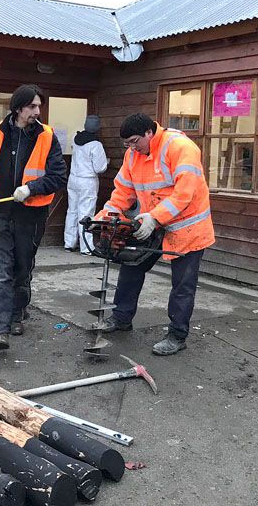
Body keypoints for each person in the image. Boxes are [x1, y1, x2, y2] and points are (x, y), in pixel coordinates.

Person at [95, 113, 215, 356]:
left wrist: (155, 217)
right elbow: (122, 193)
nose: (131, 148)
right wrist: (104, 217)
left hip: (187, 228)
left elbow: (184, 194)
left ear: (150, 132)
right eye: (126, 143)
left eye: (135, 141)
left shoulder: (180, 148)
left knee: (182, 284)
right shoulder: (133, 155)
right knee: (131, 267)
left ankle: (177, 335)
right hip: (152, 223)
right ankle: (121, 318)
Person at [0, 84, 67, 350]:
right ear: (18, 108)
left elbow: (58, 176)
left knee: (22, 269)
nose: (38, 112)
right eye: (33, 107)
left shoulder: (47, 136)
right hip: (0, 213)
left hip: (31, 216)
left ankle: (17, 314)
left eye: (40, 106)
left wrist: (31, 189)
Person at [64, 114, 108, 255]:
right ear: (98, 127)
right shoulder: (96, 144)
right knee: (86, 213)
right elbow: (99, 168)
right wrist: (106, 162)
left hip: (73, 178)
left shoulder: (76, 139)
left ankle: (69, 243)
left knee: (72, 211)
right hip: (87, 181)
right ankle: (86, 247)